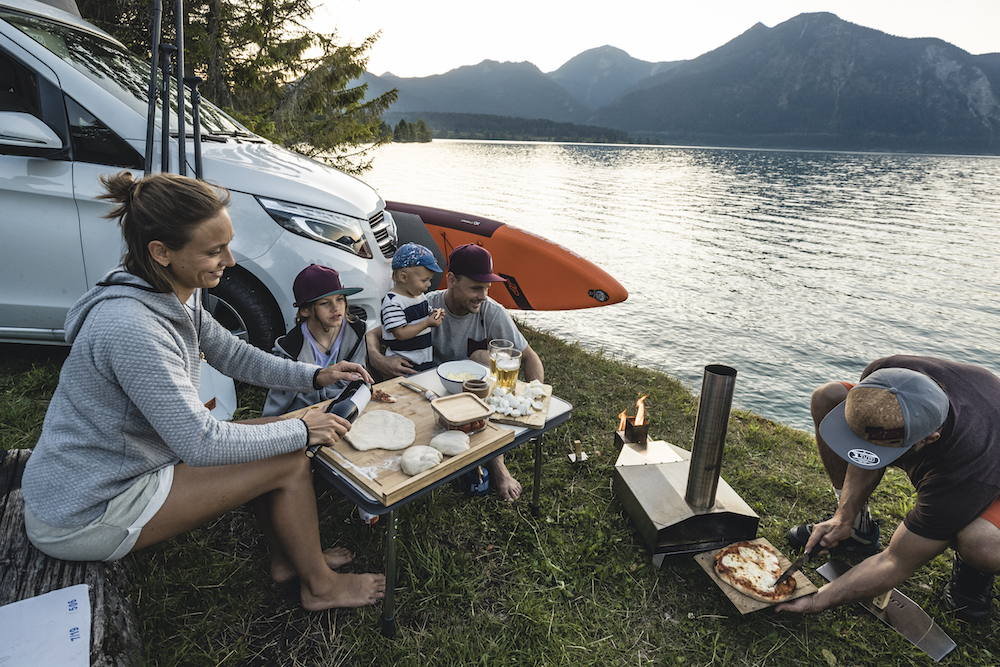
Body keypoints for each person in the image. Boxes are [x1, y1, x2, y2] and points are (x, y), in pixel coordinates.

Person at [20, 171, 385, 611]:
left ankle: (290, 560)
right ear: (161, 251)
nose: (229, 260)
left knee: (278, 437)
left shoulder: (168, 288)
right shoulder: (132, 328)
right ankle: (320, 586)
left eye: (227, 245)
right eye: (214, 251)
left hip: (105, 474)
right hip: (84, 510)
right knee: (288, 455)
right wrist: (303, 430)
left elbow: (232, 354)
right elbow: (200, 442)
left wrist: (314, 376)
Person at [777, 355, 1000, 622]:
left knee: (983, 545)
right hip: (973, 408)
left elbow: (895, 562)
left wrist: (818, 599)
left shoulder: (962, 471)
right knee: (829, 396)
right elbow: (864, 449)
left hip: (989, 460)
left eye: (880, 450)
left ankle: (974, 573)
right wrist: (844, 516)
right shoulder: (884, 373)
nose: (863, 454)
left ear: (929, 439)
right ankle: (856, 528)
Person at [367, 243, 544, 502]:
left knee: (482, 360)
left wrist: (536, 399)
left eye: (486, 288)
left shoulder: (492, 311)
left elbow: (529, 356)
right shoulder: (425, 303)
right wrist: (378, 358)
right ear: (451, 280)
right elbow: (373, 333)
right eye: (475, 288)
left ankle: (497, 466)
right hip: (430, 389)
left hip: (474, 395)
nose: (483, 295)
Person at [262, 264, 368, 417]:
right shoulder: (291, 349)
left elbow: (357, 378)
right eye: (325, 303)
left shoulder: (356, 331)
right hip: (305, 414)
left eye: (340, 299)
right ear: (305, 310)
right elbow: (278, 402)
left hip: (344, 407)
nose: (336, 308)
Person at [379, 242, 445, 373]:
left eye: (430, 279)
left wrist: (433, 314)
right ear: (404, 277)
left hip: (423, 360)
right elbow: (400, 333)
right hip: (404, 365)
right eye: (424, 280)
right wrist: (427, 323)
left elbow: (422, 313)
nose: (428, 284)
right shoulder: (393, 303)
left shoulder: (419, 296)